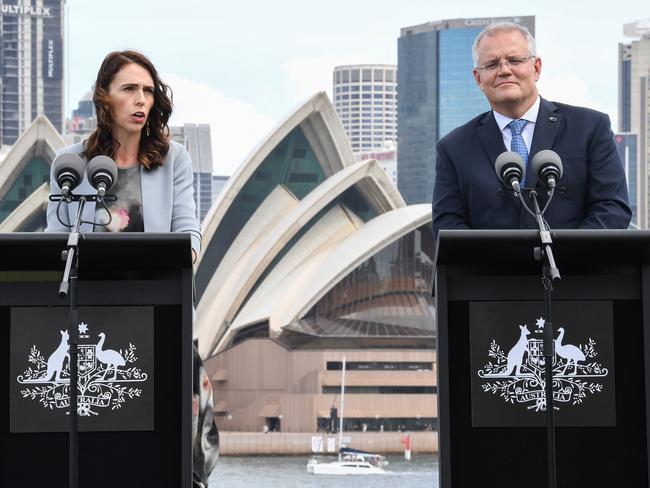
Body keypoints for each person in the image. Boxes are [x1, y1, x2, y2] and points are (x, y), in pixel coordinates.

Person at [44, 50, 218, 488]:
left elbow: (188, 232)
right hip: (92, 316)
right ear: (105, 98)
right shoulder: (70, 164)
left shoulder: (172, 158)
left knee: (182, 430)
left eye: (147, 90)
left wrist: (180, 256)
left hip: (162, 311)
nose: (141, 100)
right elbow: (53, 240)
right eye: (129, 90)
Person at [431, 22, 631, 239]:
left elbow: (612, 208)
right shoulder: (454, 147)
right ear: (478, 78)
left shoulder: (590, 127)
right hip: (492, 271)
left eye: (514, 60)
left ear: (536, 68)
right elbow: (448, 223)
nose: (504, 70)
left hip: (576, 269)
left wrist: (568, 258)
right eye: (491, 64)